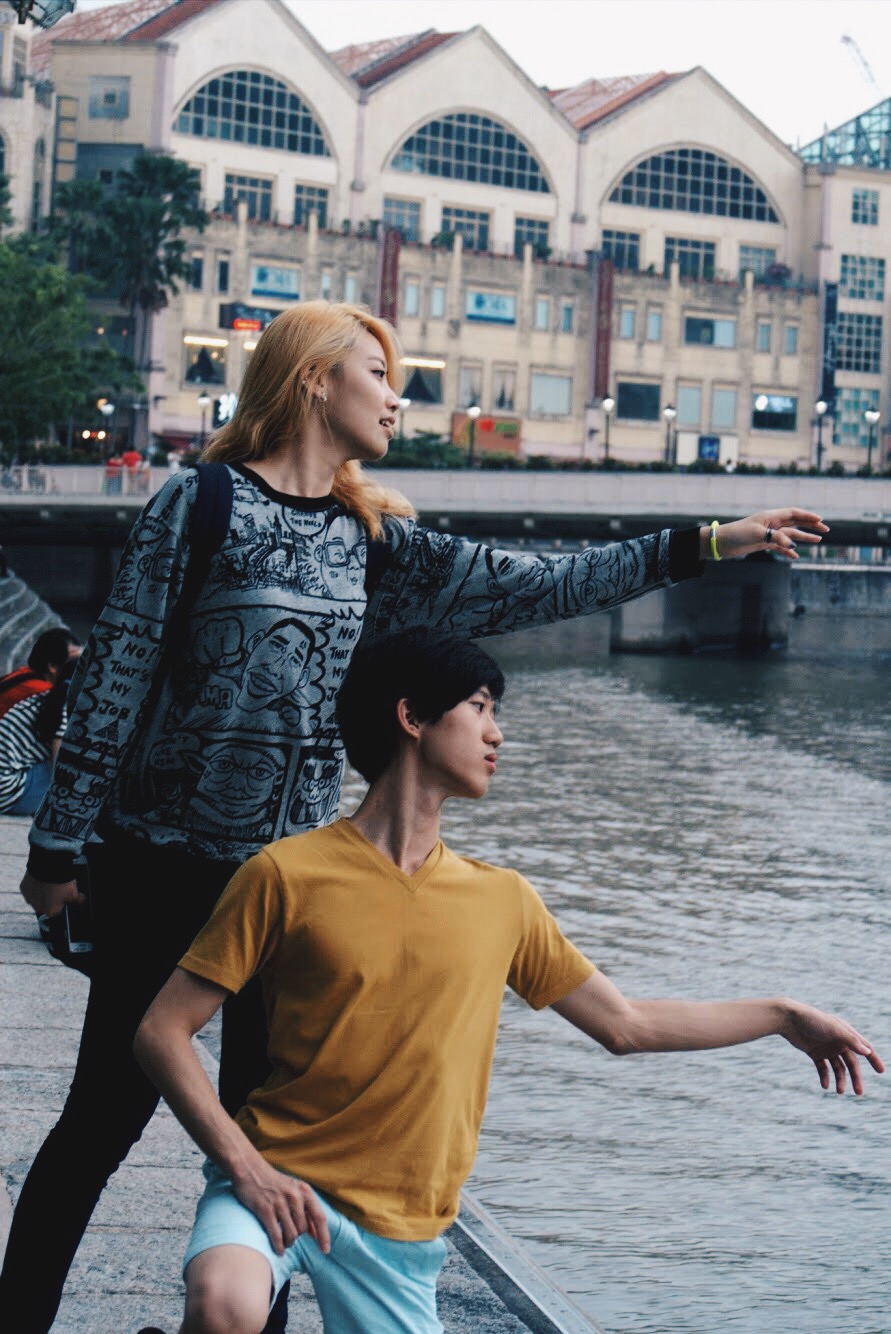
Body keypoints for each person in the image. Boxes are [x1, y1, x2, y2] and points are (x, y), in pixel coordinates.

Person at [5, 300, 829, 1334]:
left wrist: (708, 541)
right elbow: (116, 676)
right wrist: (56, 846)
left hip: (292, 888)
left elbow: (543, 584)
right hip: (159, 863)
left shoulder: (374, 543)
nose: (397, 399)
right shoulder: (201, 503)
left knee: (277, 1144)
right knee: (100, 1121)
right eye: (378, 374)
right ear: (314, 379)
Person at [133, 628, 883, 1334]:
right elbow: (162, 1031)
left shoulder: (503, 900)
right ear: (411, 718)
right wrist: (247, 1170)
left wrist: (782, 1015)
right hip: (275, 1182)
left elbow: (626, 1025)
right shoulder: (284, 875)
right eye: (480, 708)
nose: (497, 734)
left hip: (401, 1230)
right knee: (225, 1303)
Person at [0, 646, 81, 818]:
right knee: (70, 768)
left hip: (4, 785)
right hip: (6, 793)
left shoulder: (45, 698)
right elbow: (59, 766)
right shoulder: (63, 706)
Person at [0, 626, 80, 722]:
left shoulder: (24, 672)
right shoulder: (44, 693)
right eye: (74, 661)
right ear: (52, 666)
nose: (78, 665)